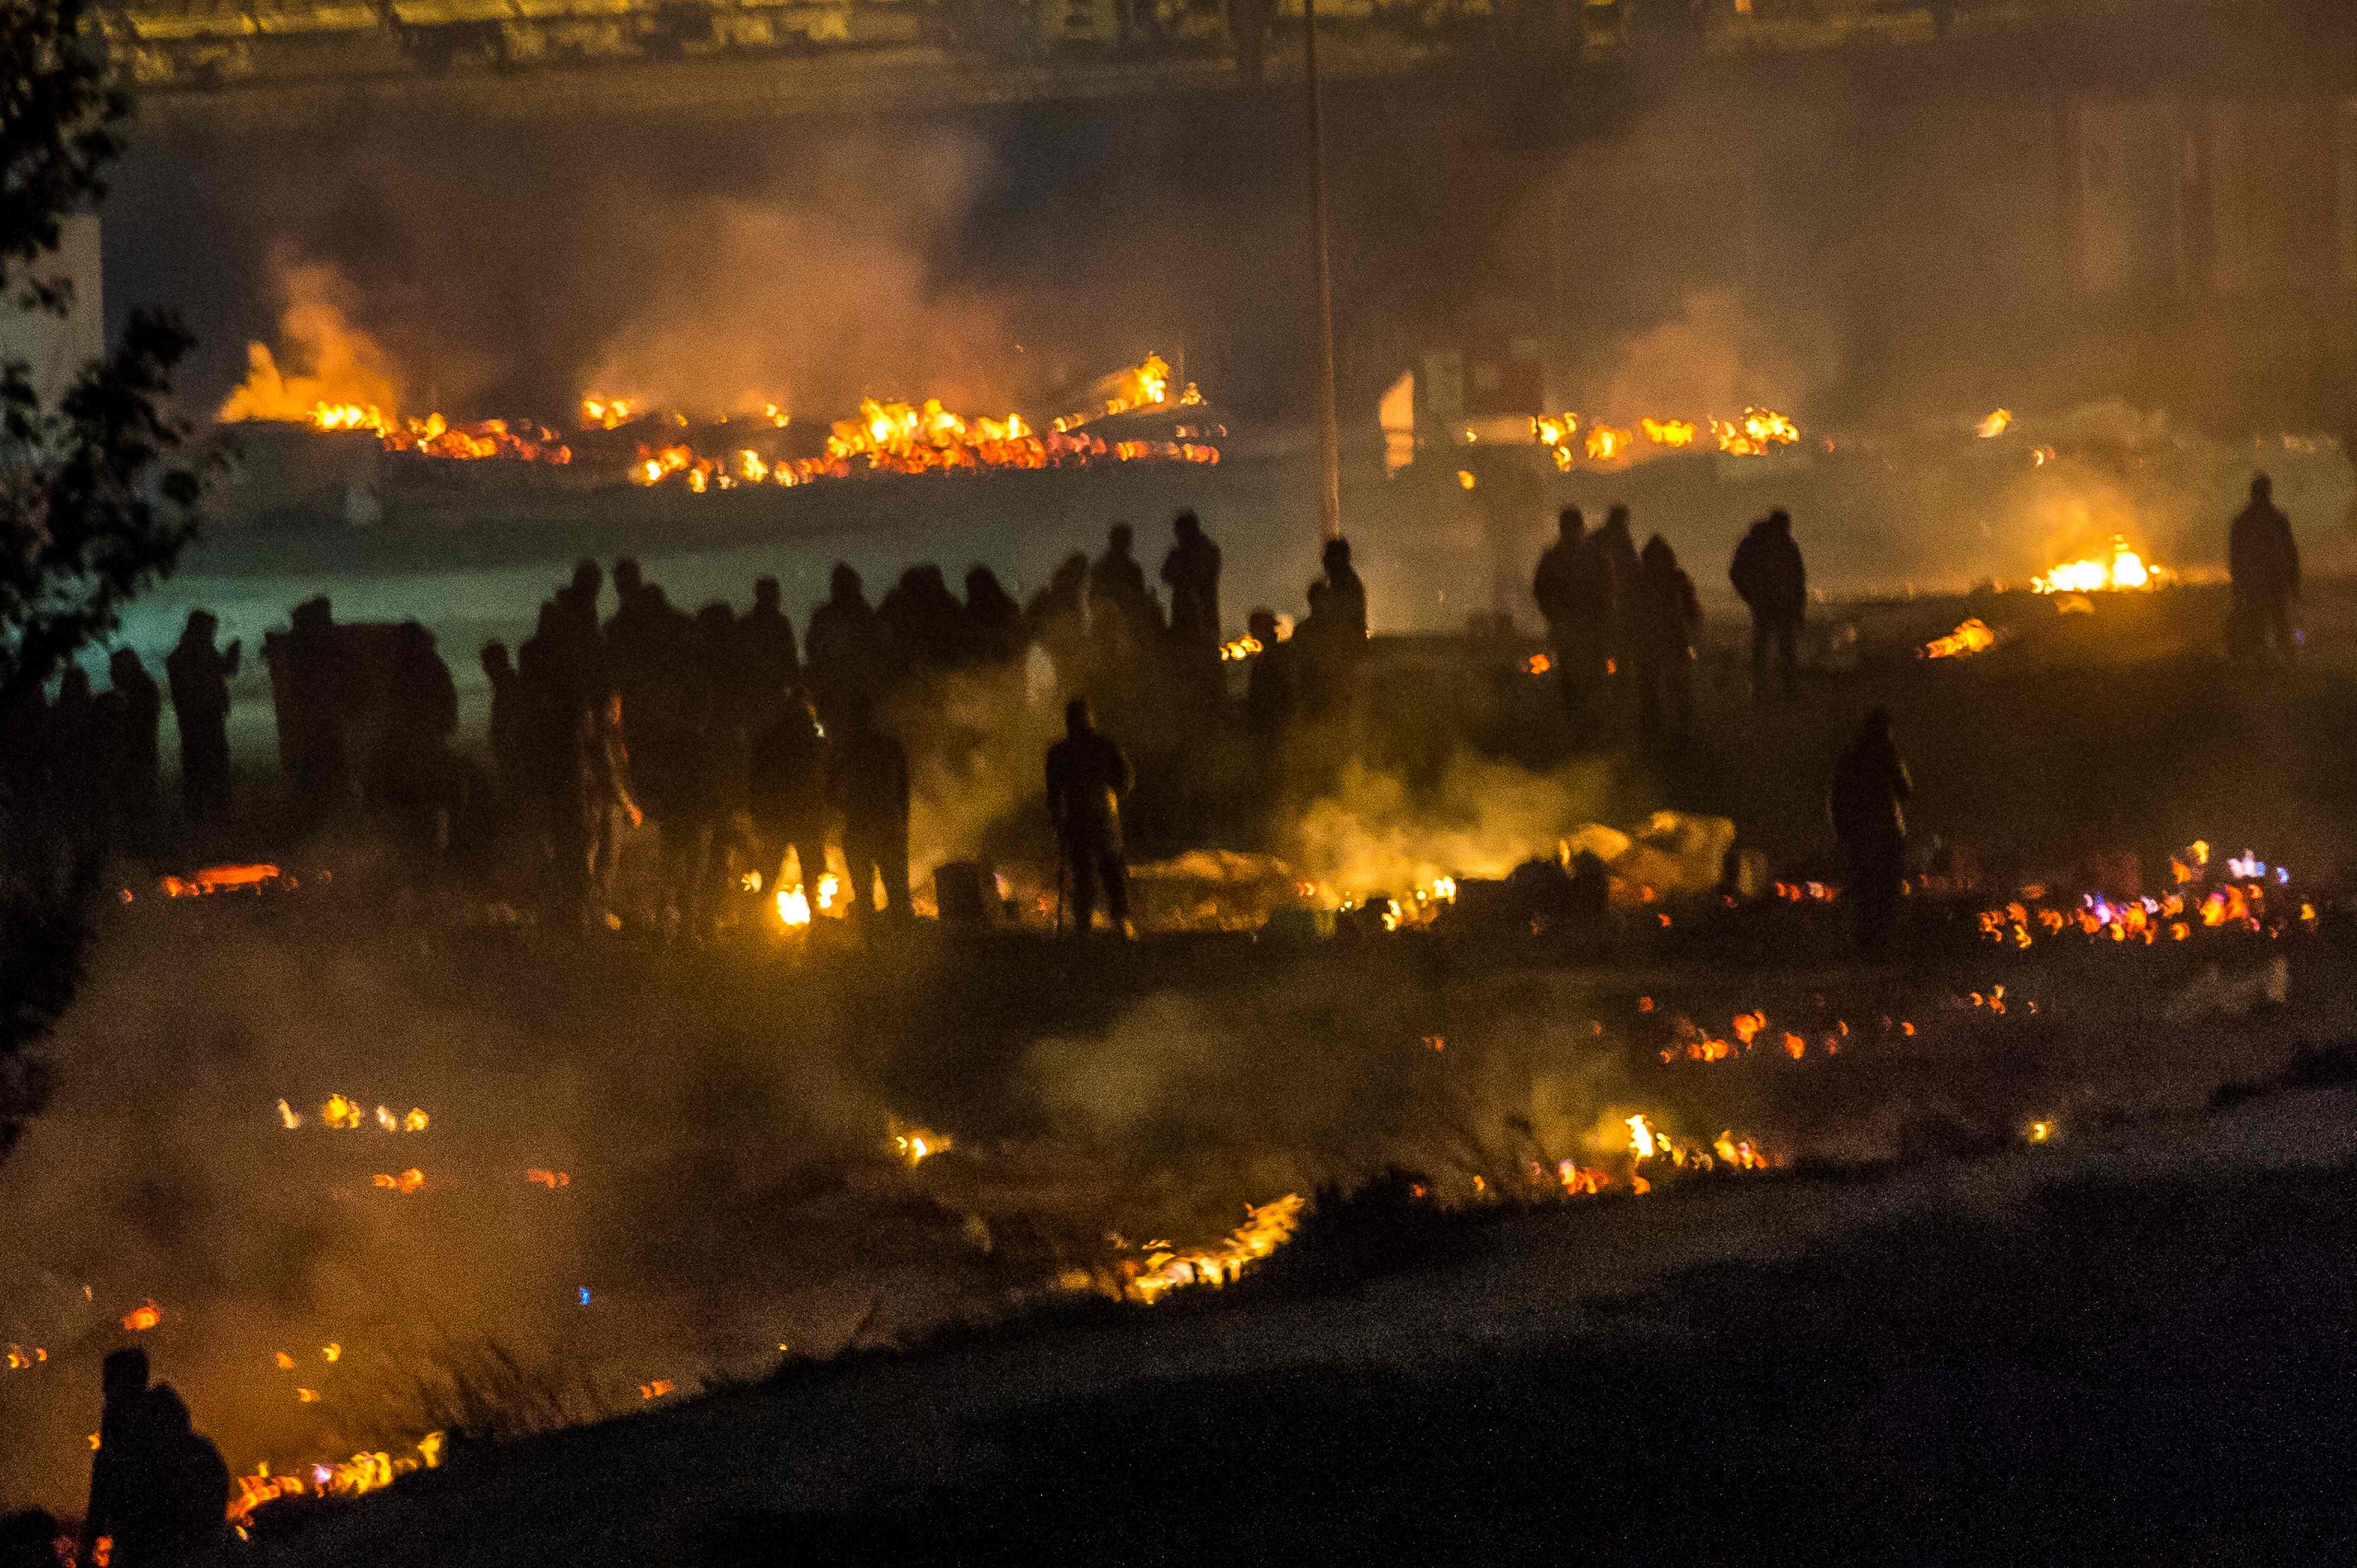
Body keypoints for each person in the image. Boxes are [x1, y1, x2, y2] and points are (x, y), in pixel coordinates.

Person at [1046, 697, 1134, 936]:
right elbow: (1126, 777)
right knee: (1108, 869)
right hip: (1097, 817)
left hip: (1083, 818)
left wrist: (1057, 822)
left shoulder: (1062, 752)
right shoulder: (1103, 746)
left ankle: (1088, 923)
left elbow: (1054, 794)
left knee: (1089, 871)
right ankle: (1115, 921)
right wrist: (1113, 797)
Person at [1830, 707, 1913, 958]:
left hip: (1858, 833)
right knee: (1887, 887)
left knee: (1863, 888)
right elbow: (1906, 789)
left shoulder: (1851, 755)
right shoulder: (1888, 754)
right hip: (1886, 831)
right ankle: (1884, 942)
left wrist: (1842, 830)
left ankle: (1864, 942)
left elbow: (1837, 795)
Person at [748, 688, 832, 909]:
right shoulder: (809, 741)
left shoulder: (773, 739)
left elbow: (757, 778)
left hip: (780, 816)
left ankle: (755, 925)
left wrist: (760, 812)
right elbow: (823, 777)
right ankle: (815, 926)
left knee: (771, 872)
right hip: (802, 815)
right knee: (810, 873)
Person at [829, 698, 910, 925]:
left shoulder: (846, 751)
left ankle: (873, 947)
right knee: (897, 891)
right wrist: (900, 819)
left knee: (865, 893)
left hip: (860, 826)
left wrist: (845, 808)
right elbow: (903, 789)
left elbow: (831, 790)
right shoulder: (889, 746)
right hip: (885, 824)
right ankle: (903, 943)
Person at [1532, 508, 1615, 725]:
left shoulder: (1554, 557)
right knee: (1589, 673)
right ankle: (1590, 720)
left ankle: (1578, 719)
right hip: (1585, 626)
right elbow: (1609, 589)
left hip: (1572, 626)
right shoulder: (1596, 556)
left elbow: (1540, 590)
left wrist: (1554, 615)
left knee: (1574, 673)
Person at [570, 689, 642, 933]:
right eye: (615, 706)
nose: (617, 712)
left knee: (593, 858)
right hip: (607, 805)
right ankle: (597, 913)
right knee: (606, 859)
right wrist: (630, 805)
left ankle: (590, 913)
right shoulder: (606, 736)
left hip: (598, 804)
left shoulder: (603, 736)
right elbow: (613, 774)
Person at [84, 1348, 160, 1568]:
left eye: (110, 1384)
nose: (106, 1392)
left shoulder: (122, 1444)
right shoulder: (171, 1432)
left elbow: (98, 1506)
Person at [164, 610, 239, 823]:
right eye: (209, 630)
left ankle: (204, 811)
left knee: (202, 765)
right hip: (200, 719)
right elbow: (221, 671)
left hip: (200, 719)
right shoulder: (193, 652)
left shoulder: (195, 650)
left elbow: (224, 670)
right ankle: (208, 812)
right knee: (206, 764)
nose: (212, 634)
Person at [1730, 509, 1806, 697]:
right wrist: (1752, 596)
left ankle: (1768, 688)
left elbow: (1798, 580)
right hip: (1774, 605)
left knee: (1769, 648)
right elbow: (1798, 580)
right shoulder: (1782, 546)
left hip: (1774, 605)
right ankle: (1775, 688)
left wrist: (1751, 597)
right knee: (1775, 648)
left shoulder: (1760, 545)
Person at [1633, 534, 1700, 740]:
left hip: (1652, 639)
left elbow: (1630, 611)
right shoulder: (1677, 577)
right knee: (1676, 685)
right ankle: (1680, 727)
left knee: (1652, 686)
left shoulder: (1640, 580)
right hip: (1671, 637)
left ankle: (1655, 726)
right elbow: (1691, 608)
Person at [804, 563, 888, 728]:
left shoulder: (829, 615)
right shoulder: (863, 614)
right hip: (848, 685)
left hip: (846, 686)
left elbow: (812, 648)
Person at [2228, 472, 2299, 662]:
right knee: (2277, 621)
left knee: (2260, 622)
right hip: (2272, 578)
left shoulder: (2243, 521)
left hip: (2256, 580)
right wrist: (2294, 583)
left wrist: (2238, 583)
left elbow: (2235, 557)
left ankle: (2265, 662)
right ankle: (2285, 663)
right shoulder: (2277, 519)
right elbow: (2291, 553)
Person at [99, 649, 164, 853]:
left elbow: (136, 727)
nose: (112, 675)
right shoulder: (140, 689)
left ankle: (141, 851)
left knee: (137, 806)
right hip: (138, 756)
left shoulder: (137, 693)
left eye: (116, 669)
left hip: (137, 757)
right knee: (137, 806)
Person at [736, 576, 800, 725]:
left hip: (753, 688)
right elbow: (789, 655)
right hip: (773, 687)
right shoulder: (780, 624)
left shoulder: (745, 624)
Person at [1594, 505, 1643, 685]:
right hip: (1621, 601)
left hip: (1600, 602)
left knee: (1601, 647)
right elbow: (1634, 569)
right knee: (1622, 645)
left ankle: (1603, 683)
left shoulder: (1597, 538)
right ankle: (1621, 684)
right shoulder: (1623, 540)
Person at [1160, 510, 1223, 647]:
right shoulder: (1181, 553)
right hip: (1187, 615)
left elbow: (1205, 576)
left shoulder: (1205, 551)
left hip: (1200, 613)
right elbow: (1166, 575)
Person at [963, 565, 1024, 666]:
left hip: (1006, 661)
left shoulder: (1006, 606)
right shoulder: (970, 612)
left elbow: (1018, 634)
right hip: (987, 665)